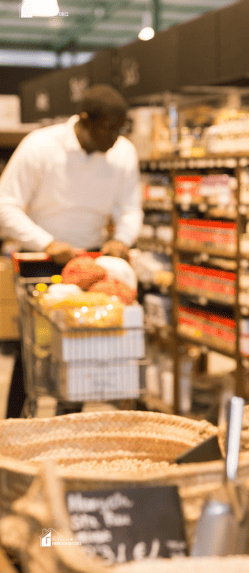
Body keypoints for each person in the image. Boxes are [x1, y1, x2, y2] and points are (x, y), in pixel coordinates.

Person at [0, 83, 143, 417]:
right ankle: (11, 428)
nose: (116, 137)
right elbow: (5, 205)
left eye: (122, 128)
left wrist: (122, 238)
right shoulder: (40, 147)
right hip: (41, 258)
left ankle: (71, 421)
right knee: (36, 352)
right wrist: (47, 243)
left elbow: (131, 208)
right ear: (85, 120)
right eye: (110, 128)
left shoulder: (122, 152)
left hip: (92, 261)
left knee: (84, 351)